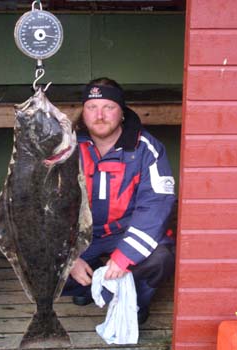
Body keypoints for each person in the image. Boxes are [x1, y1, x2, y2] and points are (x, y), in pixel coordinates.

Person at [62, 77, 176, 325]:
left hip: (125, 230)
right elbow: (46, 209)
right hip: (82, 235)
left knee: (160, 258)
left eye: (109, 107)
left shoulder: (147, 148)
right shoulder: (64, 146)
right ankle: (88, 288)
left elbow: (156, 206)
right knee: (45, 263)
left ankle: (135, 301)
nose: (99, 115)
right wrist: (69, 257)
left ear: (122, 113)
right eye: (92, 107)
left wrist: (125, 255)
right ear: (83, 112)